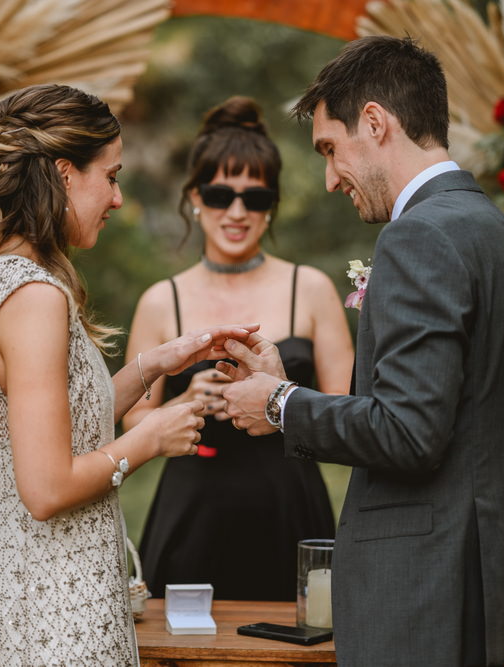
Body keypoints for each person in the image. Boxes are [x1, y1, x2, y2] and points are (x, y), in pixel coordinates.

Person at [219, 37, 504, 666]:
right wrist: (287, 387)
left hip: (422, 601)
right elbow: (446, 416)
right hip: (487, 591)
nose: (327, 179)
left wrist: (280, 404)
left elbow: (408, 434)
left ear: (375, 122)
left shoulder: (418, 237)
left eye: (330, 149)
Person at [0, 83, 255, 666]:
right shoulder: (34, 297)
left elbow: (44, 421)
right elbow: (46, 489)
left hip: (11, 604)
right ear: (65, 174)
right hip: (48, 619)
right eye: (111, 176)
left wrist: (156, 365)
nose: (117, 198)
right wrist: (148, 440)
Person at [123, 96, 354, 601]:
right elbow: (132, 419)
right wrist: (186, 405)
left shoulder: (310, 289)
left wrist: (279, 398)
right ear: (195, 197)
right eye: (221, 193)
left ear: (271, 207)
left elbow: (346, 415)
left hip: (290, 511)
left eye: (254, 198)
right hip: (192, 513)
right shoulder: (162, 300)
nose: (236, 211)